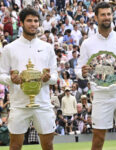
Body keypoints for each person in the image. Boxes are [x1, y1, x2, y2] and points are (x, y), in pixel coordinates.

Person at [75, 2, 116, 150]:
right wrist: (83, 73)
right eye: (103, 15)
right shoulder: (87, 43)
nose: (106, 17)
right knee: (98, 138)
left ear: (112, 15)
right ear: (96, 18)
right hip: (101, 95)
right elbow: (79, 69)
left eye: (109, 14)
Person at [0, 7, 58, 150]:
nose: (33, 24)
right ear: (21, 23)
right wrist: (11, 80)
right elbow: (1, 75)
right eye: (29, 21)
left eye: (36, 21)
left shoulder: (48, 47)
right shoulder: (9, 48)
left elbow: (55, 77)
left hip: (43, 103)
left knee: (48, 146)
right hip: (19, 104)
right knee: (14, 146)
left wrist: (47, 78)